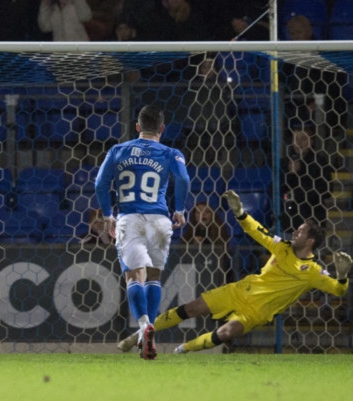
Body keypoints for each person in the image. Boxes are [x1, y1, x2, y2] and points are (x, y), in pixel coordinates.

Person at [144, 190, 351, 354]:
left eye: (301, 231)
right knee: (192, 307)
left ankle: (183, 350)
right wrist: (241, 213)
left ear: (310, 241)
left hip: (256, 312)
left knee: (225, 332)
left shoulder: (314, 272)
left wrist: (342, 277)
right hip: (240, 290)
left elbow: (338, 290)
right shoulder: (282, 246)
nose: (295, 232)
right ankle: (144, 332)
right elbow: (258, 231)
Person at [95, 105, 190, 360]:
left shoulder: (117, 150)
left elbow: (100, 184)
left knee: (133, 277)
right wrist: (179, 210)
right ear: (162, 128)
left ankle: (144, 325)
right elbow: (183, 179)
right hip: (160, 219)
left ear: (137, 127)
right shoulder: (171, 153)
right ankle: (148, 332)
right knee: (153, 278)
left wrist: (107, 215)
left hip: (130, 218)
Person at [280, 125, 332, 232]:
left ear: (311, 141)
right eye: (296, 139)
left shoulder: (320, 162)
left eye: (303, 139)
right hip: (290, 221)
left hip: (314, 220)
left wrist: (302, 192)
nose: (299, 143)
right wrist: (290, 174)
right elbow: (274, 190)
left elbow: (328, 191)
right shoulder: (284, 163)